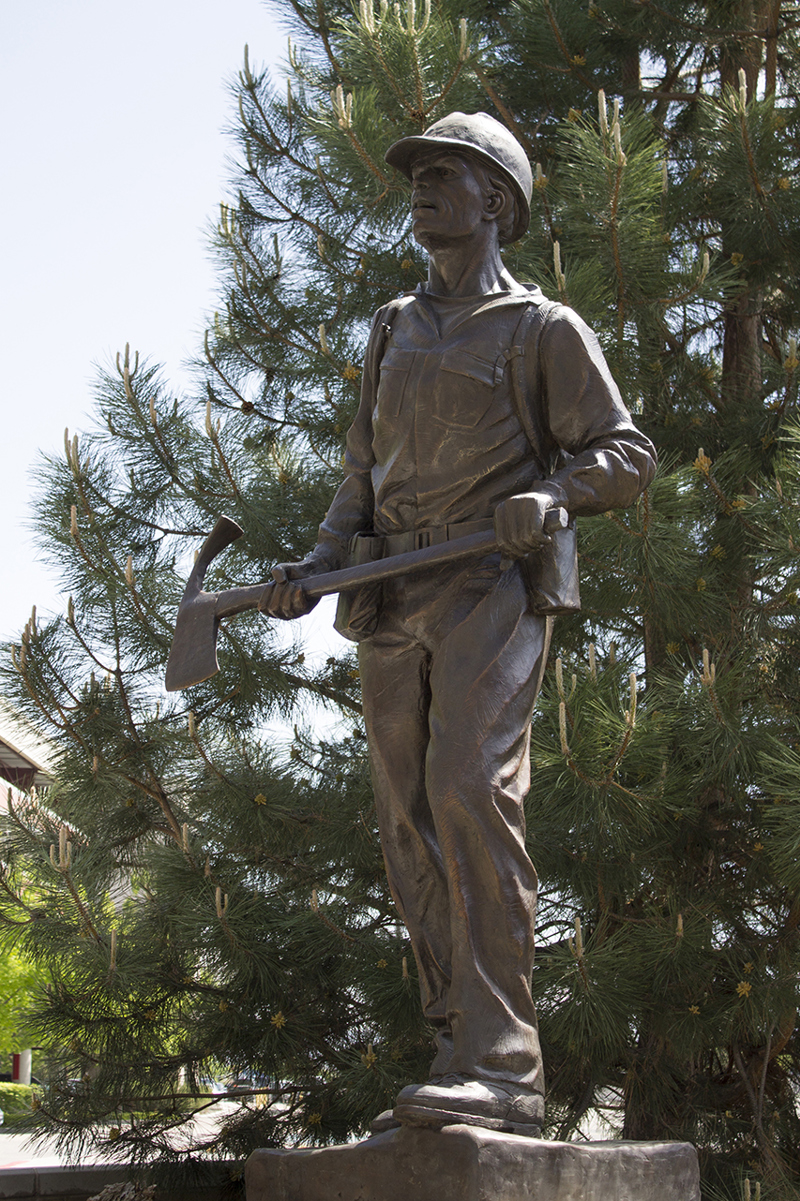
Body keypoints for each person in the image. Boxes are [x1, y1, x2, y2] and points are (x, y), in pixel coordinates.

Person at [261, 112, 656, 1136]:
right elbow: (360, 470)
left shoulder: (542, 329)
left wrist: (555, 494)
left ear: (497, 202)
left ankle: (504, 1061)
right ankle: (455, 1040)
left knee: (468, 789)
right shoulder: (392, 325)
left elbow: (625, 453)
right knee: (407, 819)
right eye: (417, 176)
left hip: (489, 585)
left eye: (445, 176)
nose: (422, 189)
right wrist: (316, 561)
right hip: (390, 589)